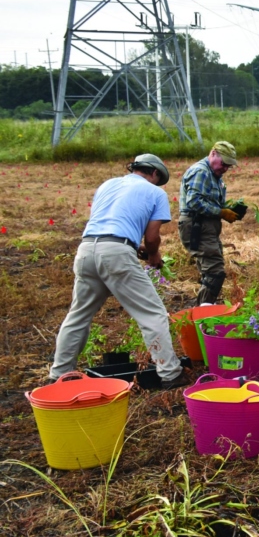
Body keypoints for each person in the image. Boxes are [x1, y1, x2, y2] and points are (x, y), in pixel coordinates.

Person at [50, 155, 186, 389]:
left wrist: (133, 247)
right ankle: (170, 373)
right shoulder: (156, 193)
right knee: (152, 314)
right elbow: (152, 237)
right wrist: (153, 255)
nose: (158, 184)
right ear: (154, 174)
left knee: (78, 316)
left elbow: (111, 223)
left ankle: (59, 373)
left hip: (86, 250)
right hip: (116, 252)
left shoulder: (107, 185)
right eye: (158, 180)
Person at [178, 141, 239, 305]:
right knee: (215, 272)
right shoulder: (202, 172)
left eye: (228, 166)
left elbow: (208, 201)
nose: (225, 168)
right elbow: (194, 202)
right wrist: (220, 212)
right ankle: (202, 315)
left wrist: (229, 209)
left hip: (205, 226)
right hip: (197, 225)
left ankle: (203, 309)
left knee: (210, 271)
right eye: (223, 163)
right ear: (213, 154)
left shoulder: (214, 176)